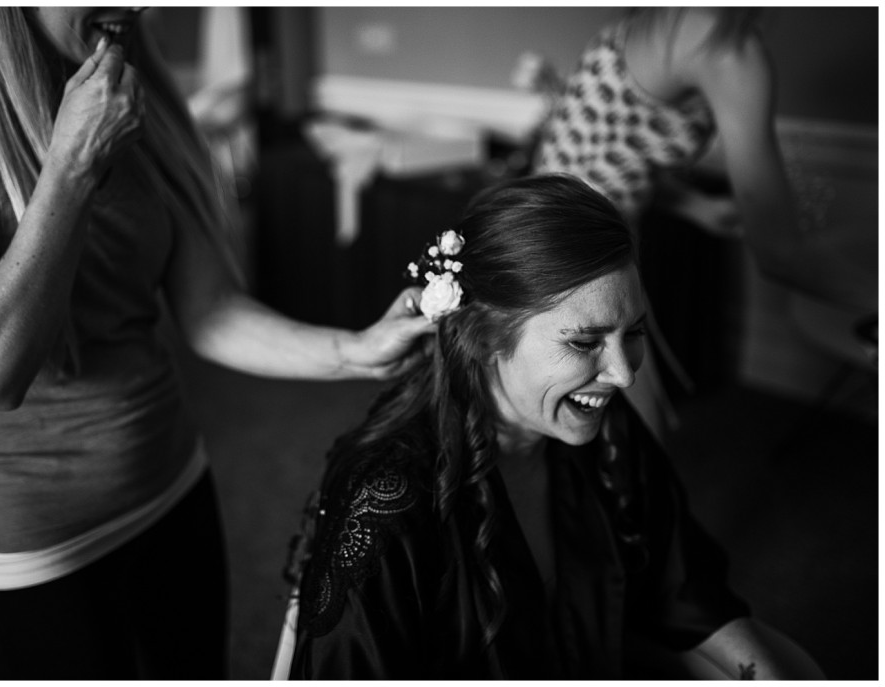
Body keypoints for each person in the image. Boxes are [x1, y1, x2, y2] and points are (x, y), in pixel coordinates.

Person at [0, 7, 431, 680]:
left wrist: (354, 350)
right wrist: (72, 166)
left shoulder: (136, 84)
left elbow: (209, 310)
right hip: (40, 534)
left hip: (172, 480)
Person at [281, 174, 825, 679]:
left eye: (633, 332)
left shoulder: (599, 424)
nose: (622, 373)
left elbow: (678, 585)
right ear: (484, 338)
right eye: (584, 342)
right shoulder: (388, 504)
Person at [533, 7, 875, 438]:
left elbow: (618, 153)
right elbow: (781, 256)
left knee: (579, 440)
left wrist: (699, 207)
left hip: (541, 228)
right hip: (587, 263)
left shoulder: (656, 16)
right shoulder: (729, 50)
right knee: (633, 448)